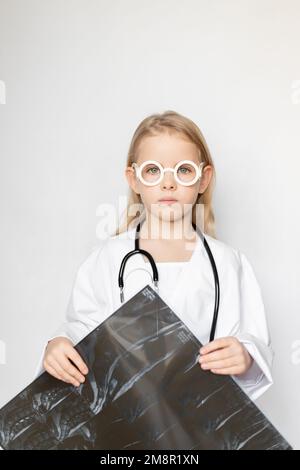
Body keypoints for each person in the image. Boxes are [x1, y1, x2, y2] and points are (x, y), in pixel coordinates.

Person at [36, 110, 273, 401]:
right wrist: (60, 343)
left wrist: (246, 355)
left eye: (184, 170)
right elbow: (81, 328)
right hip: (125, 420)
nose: (168, 183)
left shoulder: (228, 263)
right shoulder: (108, 258)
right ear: (133, 179)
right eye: (153, 170)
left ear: (204, 179)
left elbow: (252, 338)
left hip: (199, 423)